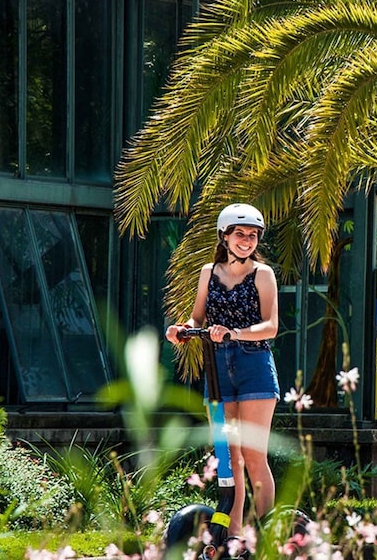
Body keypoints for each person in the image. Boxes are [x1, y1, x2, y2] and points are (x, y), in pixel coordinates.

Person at [165, 203, 280, 535]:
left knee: (253, 454)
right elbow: (197, 318)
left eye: (253, 235)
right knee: (230, 458)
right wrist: (182, 330)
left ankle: (264, 538)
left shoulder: (263, 274)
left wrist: (235, 333)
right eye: (240, 234)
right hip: (217, 367)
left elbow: (271, 326)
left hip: (253, 363)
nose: (246, 241)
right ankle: (232, 540)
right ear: (225, 236)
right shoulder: (208, 272)